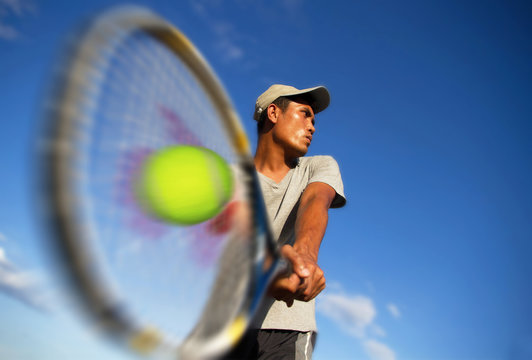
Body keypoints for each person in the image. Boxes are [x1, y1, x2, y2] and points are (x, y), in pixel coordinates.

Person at [225, 84, 346, 360]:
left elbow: (316, 200)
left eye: (314, 120)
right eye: (304, 114)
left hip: (288, 330)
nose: (312, 126)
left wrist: (304, 256)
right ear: (273, 113)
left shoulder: (319, 166)